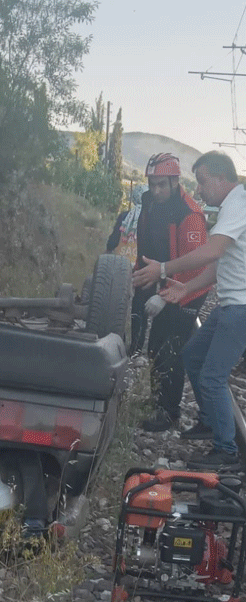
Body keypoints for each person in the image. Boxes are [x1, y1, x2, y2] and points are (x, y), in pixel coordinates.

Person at [135, 151, 246, 469]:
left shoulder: (238, 205)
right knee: (193, 356)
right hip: (229, 303)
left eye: (202, 182)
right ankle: (210, 421)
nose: (198, 190)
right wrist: (187, 287)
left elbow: (210, 250)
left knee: (212, 376)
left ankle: (227, 452)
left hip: (240, 308)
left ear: (223, 178)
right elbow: (220, 262)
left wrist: (164, 269)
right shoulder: (229, 209)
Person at [127, 154, 208, 432]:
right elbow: (146, 245)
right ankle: (157, 400)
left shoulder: (190, 215)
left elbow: (196, 267)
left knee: (170, 346)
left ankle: (169, 412)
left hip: (189, 286)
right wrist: (137, 274)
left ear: (175, 182)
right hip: (160, 275)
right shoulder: (150, 203)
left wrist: (164, 297)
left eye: (162, 184)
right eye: (152, 184)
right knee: (154, 346)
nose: (157, 190)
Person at [107, 183, 147, 266]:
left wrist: (108, 250)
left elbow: (113, 240)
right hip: (141, 266)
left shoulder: (124, 216)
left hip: (120, 262)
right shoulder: (151, 218)